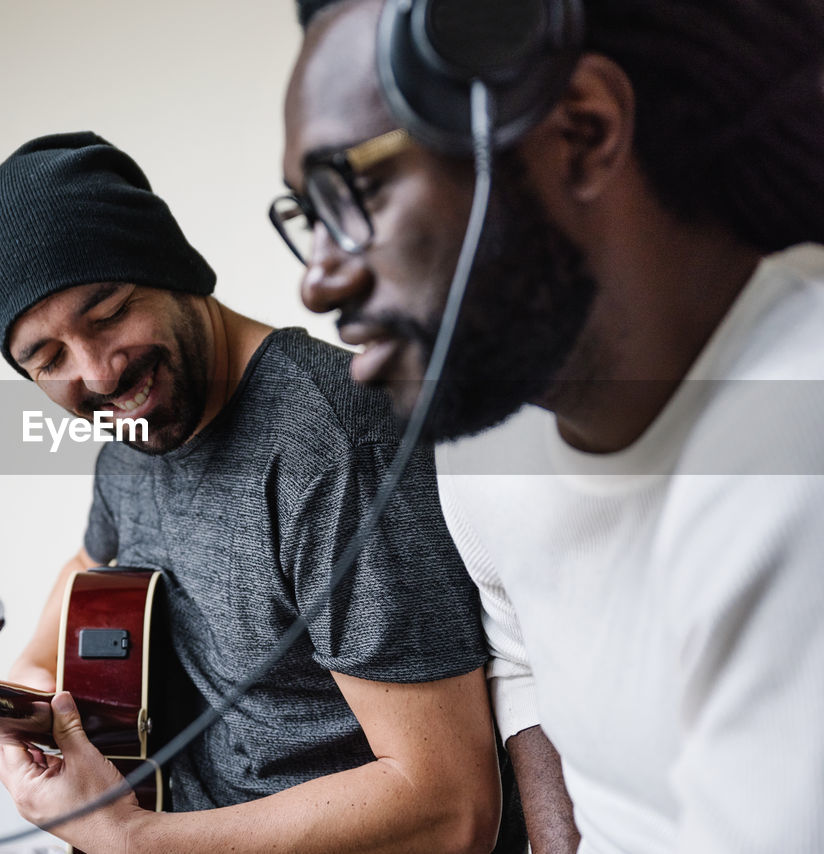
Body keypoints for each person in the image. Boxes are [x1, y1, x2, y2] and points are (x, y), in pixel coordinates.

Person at [278, 0, 824, 852]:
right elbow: (523, 653)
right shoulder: (484, 430)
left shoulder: (792, 454)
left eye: (356, 189)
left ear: (582, 130)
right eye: (307, 215)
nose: (318, 282)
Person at [0, 131, 526, 853]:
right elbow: (88, 574)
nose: (98, 373)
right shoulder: (136, 426)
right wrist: (29, 695)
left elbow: (450, 806)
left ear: (175, 270)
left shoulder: (331, 446)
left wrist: (131, 839)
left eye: (108, 313)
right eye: (49, 356)